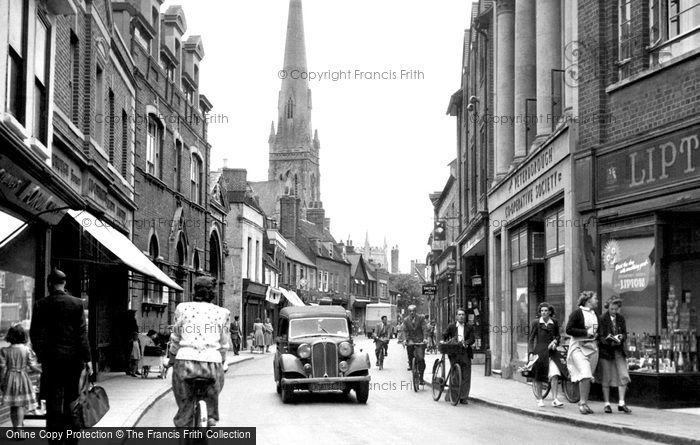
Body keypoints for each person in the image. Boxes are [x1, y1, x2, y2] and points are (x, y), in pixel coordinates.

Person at [30, 268, 92, 445]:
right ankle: (71, 437)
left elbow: (35, 335)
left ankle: (54, 440)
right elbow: (82, 334)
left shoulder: (41, 304)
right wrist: (88, 360)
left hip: (51, 361)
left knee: (52, 401)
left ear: (50, 284)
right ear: (64, 284)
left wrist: (42, 355)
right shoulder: (77, 303)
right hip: (73, 360)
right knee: (72, 399)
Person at [168, 276, 230, 427]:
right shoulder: (223, 313)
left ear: (194, 291)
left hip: (185, 363)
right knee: (213, 393)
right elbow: (223, 343)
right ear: (212, 293)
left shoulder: (182, 308)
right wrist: (222, 360)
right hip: (212, 364)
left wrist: (171, 358)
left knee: (185, 406)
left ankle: (184, 423)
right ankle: (210, 418)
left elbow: (175, 337)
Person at [0, 325, 42, 431]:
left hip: (9, 378)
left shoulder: (5, 351)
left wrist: (2, 381)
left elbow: (2, 368)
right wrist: (42, 371)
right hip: (23, 378)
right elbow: (32, 365)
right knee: (20, 405)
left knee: (13, 405)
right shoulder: (26, 350)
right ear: (24, 336)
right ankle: (20, 429)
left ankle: (16, 428)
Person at [566, 290, 600, 415]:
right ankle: (582, 403)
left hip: (591, 347)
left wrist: (598, 335)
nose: (597, 300)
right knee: (585, 373)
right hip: (578, 347)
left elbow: (597, 330)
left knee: (588, 376)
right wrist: (586, 333)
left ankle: (584, 402)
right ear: (588, 300)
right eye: (595, 298)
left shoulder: (594, 314)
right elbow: (569, 329)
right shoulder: (577, 313)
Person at [528, 303, 566, 408]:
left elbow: (558, 336)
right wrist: (531, 352)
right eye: (542, 311)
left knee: (554, 374)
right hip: (539, 352)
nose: (544, 312)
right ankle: (540, 399)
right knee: (539, 377)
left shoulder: (554, 322)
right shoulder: (536, 323)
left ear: (549, 312)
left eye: (546, 310)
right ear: (540, 312)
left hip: (552, 353)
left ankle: (555, 399)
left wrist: (555, 341)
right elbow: (531, 339)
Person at [599, 297, 632, 414]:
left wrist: (621, 337)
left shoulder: (621, 318)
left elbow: (624, 333)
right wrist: (610, 341)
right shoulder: (602, 318)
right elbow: (601, 336)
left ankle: (621, 403)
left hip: (618, 350)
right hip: (606, 351)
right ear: (608, 307)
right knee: (607, 377)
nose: (613, 311)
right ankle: (607, 404)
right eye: (611, 309)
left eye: (616, 309)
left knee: (623, 375)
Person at [442, 308, 475, 404]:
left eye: (463, 315)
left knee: (466, 375)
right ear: (456, 316)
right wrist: (443, 340)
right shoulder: (452, 326)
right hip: (454, 353)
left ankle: (464, 397)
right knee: (455, 375)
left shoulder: (469, 327)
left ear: (465, 316)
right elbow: (445, 334)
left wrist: (467, 343)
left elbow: (472, 339)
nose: (461, 316)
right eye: (459, 314)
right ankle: (454, 395)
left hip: (465, 352)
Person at [401, 305, 429, 381]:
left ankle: (421, 377)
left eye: (413, 311)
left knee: (421, 358)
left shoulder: (421, 318)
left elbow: (424, 328)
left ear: (416, 311)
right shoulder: (406, 320)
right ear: (408, 312)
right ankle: (411, 364)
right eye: (410, 311)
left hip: (420, 340)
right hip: (410, 339)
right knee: (410, 351)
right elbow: (404, 330)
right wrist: (404, 340)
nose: (412, 312)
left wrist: (425, 338)